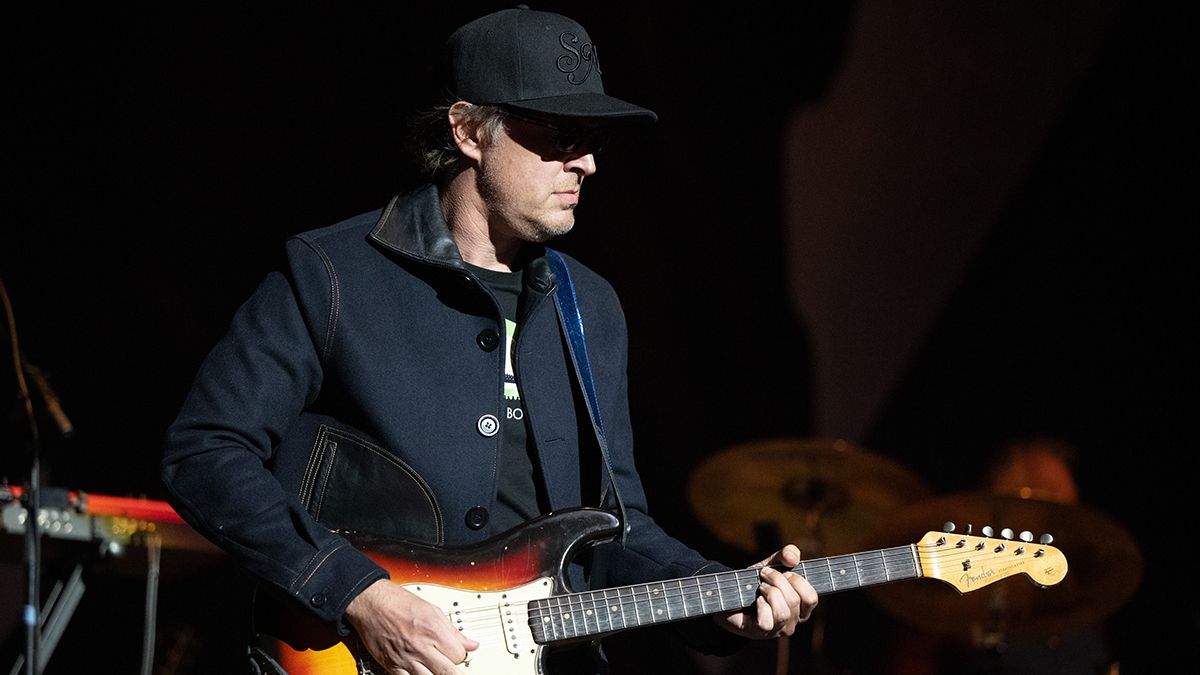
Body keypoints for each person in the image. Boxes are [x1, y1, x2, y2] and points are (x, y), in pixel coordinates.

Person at [160, 6, 817, 675]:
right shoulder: (331, 273)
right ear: (471, 131)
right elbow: (205, 451)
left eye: (592, 138)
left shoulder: (590, 307)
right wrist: (354, 591)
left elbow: (617, 531)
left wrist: (721, 594)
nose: (587, 161)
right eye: (562, 135)